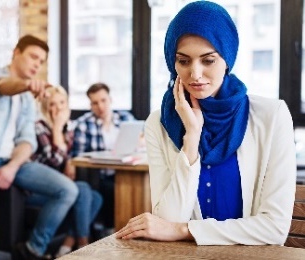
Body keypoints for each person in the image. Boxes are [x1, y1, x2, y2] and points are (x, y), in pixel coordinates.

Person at [116, 1, 297, 245]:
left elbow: (274, 228)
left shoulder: (272, 116)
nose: (195, 74)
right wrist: (191, 136)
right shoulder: (159, 123)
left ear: (227, 59)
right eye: (183, 61)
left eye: (208, 60)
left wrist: (184, 230)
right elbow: (168, 219)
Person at [0, 35, 79, 260]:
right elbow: (3, 87)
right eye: (33, 57)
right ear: (16, 53)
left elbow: (27, 141)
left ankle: (33, 249)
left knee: (68, 190)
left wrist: (12, 167)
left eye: (41, 61)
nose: (37, 64)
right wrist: (26, 85)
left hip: (15, 162)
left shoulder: (26, 101)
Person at [30, 85, 102, 257]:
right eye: (53, 104)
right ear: (46, 107)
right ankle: (83, 245)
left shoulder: (68, 129)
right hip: (39, 189)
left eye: (62, 102)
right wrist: (56, 128)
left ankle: (67, 244)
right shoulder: (39, 127)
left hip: (62, 185)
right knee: (84, 189)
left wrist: (70, 160)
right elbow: (54, 159)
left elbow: (70, 155)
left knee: (96, 197)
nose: (59, 108)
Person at [71, 82, 135, 233]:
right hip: (99, 175)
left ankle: (128, 229)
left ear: (110, 99)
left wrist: (140, 141)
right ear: (90, 105)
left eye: (103, 100)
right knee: (110, 188)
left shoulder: (126, 119)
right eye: (95, 103)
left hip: (126, 171)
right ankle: (111, 229)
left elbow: (143, 142)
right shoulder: (84, 124)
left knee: (134, 187)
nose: (100, 106)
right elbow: (77, 156)